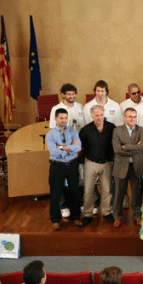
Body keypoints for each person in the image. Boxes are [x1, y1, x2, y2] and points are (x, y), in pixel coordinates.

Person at [49, 83, 85, 219]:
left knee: (78, 177)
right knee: (62, 180)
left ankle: (78, 203)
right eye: (69, 94)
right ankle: (64, 205)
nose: (72, 96)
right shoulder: (56, 109)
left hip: (79, 149)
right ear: (63, 95)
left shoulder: (80, 107)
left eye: (73, 93)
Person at [46, 108, 83, 230]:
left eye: (66, 118)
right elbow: (53, 151)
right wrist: (69, 149)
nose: (64, 120)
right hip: (58, 166)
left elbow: (78, 147)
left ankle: (76, 217)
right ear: (56, 119)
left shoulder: (73, 131)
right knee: (55, 193)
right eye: (61, 118)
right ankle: (55, 220)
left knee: (74, 192)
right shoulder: (50, 134)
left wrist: (61, 147)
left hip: (72, 165)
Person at [80, 105, 115, 226]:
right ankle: (87, 214)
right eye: (96, 115)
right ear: (92, 116)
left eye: (101, 115)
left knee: (107, 190)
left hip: (107, 164)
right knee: (88, 191)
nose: (99, 117)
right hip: (90, 163)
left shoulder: (111, 127)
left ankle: (106, 212)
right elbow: (81, 148)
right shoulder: (85, 130)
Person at [112, 107, 143, 228]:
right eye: (130, 116)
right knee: (118, 193)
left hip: (137, 166)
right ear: (124, 117)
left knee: (137, 192)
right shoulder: (117, 130)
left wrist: (125, 146)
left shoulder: (141, 130)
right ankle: (117, 217)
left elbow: (142, 147)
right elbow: (117, 150)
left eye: (134, 117)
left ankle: (137, 215)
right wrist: (134, 148)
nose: (132, 119)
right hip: (121, 166)